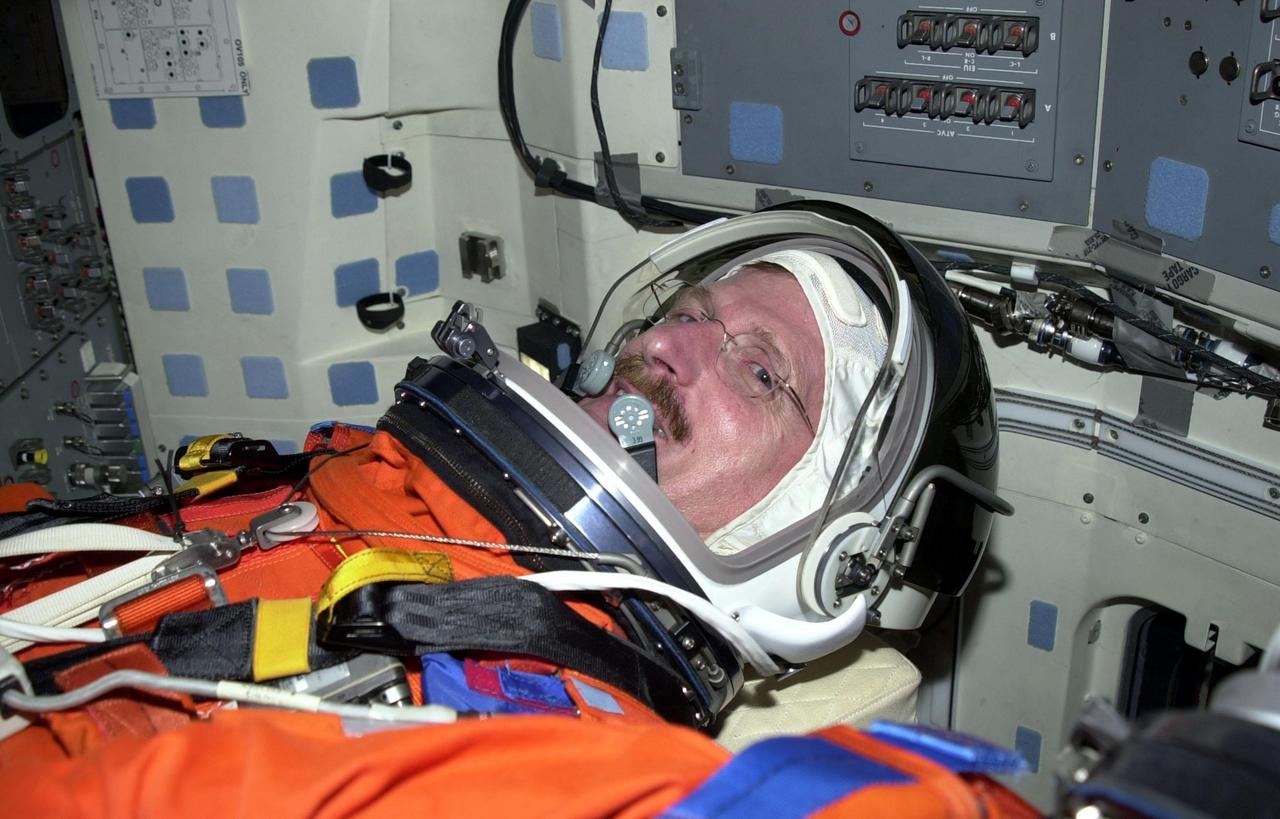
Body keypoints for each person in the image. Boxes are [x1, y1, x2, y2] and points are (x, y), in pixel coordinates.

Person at [0, 203, 1024, 816]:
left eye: (757, 372)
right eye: (689, 315)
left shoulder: (540, 712)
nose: (667, 348)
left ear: (816, 550)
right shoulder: (386, 473)